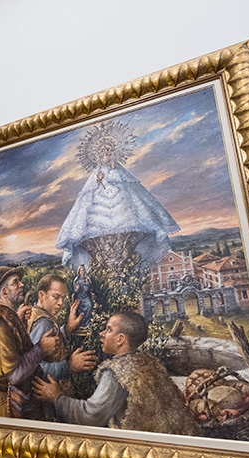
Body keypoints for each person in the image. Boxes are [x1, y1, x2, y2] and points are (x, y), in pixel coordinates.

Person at [32, 311, 199, 436]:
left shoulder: (116, 373)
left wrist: (57, 397)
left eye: (108, 329)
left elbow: (90, 416)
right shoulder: (148, 362)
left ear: (120, 339)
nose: (102, 333)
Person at [55, 121, 179, 270]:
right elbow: (96, 188)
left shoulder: (119, 171)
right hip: (99, 210)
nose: (105, 156)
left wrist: (112, 171)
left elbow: (123, 187)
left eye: (108, 152)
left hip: (123, 209)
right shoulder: (97, 174)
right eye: (102, 153)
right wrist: (99, 181)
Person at [0, 266, 56, 418]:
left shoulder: (5, 317)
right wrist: (41, 349)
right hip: (15, 406)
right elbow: (14, 375)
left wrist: (19, 322)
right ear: (4, 292)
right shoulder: (1, 323)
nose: (22, 285)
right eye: (16, 282)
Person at [28, 274, 97, 381]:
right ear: (41, 295)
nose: (60, 303)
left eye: (63, 298)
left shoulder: (35, 313)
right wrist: (69, 366)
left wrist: (68, 329)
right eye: (56, 297)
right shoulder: (43, 322)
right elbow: (33, 369)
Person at [73, 265, 93, 329]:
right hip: (79, 297)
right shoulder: (76, 280)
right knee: (78, 306)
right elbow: (75, 291)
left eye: (83, 270)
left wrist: (86, 284)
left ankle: (86, 323)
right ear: (78, 271)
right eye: (81, 270)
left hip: (85, 296)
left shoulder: (87, 279)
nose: (82, 271)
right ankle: (80, 323)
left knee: (89, 305)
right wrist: (77, 288)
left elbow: (87, 290)